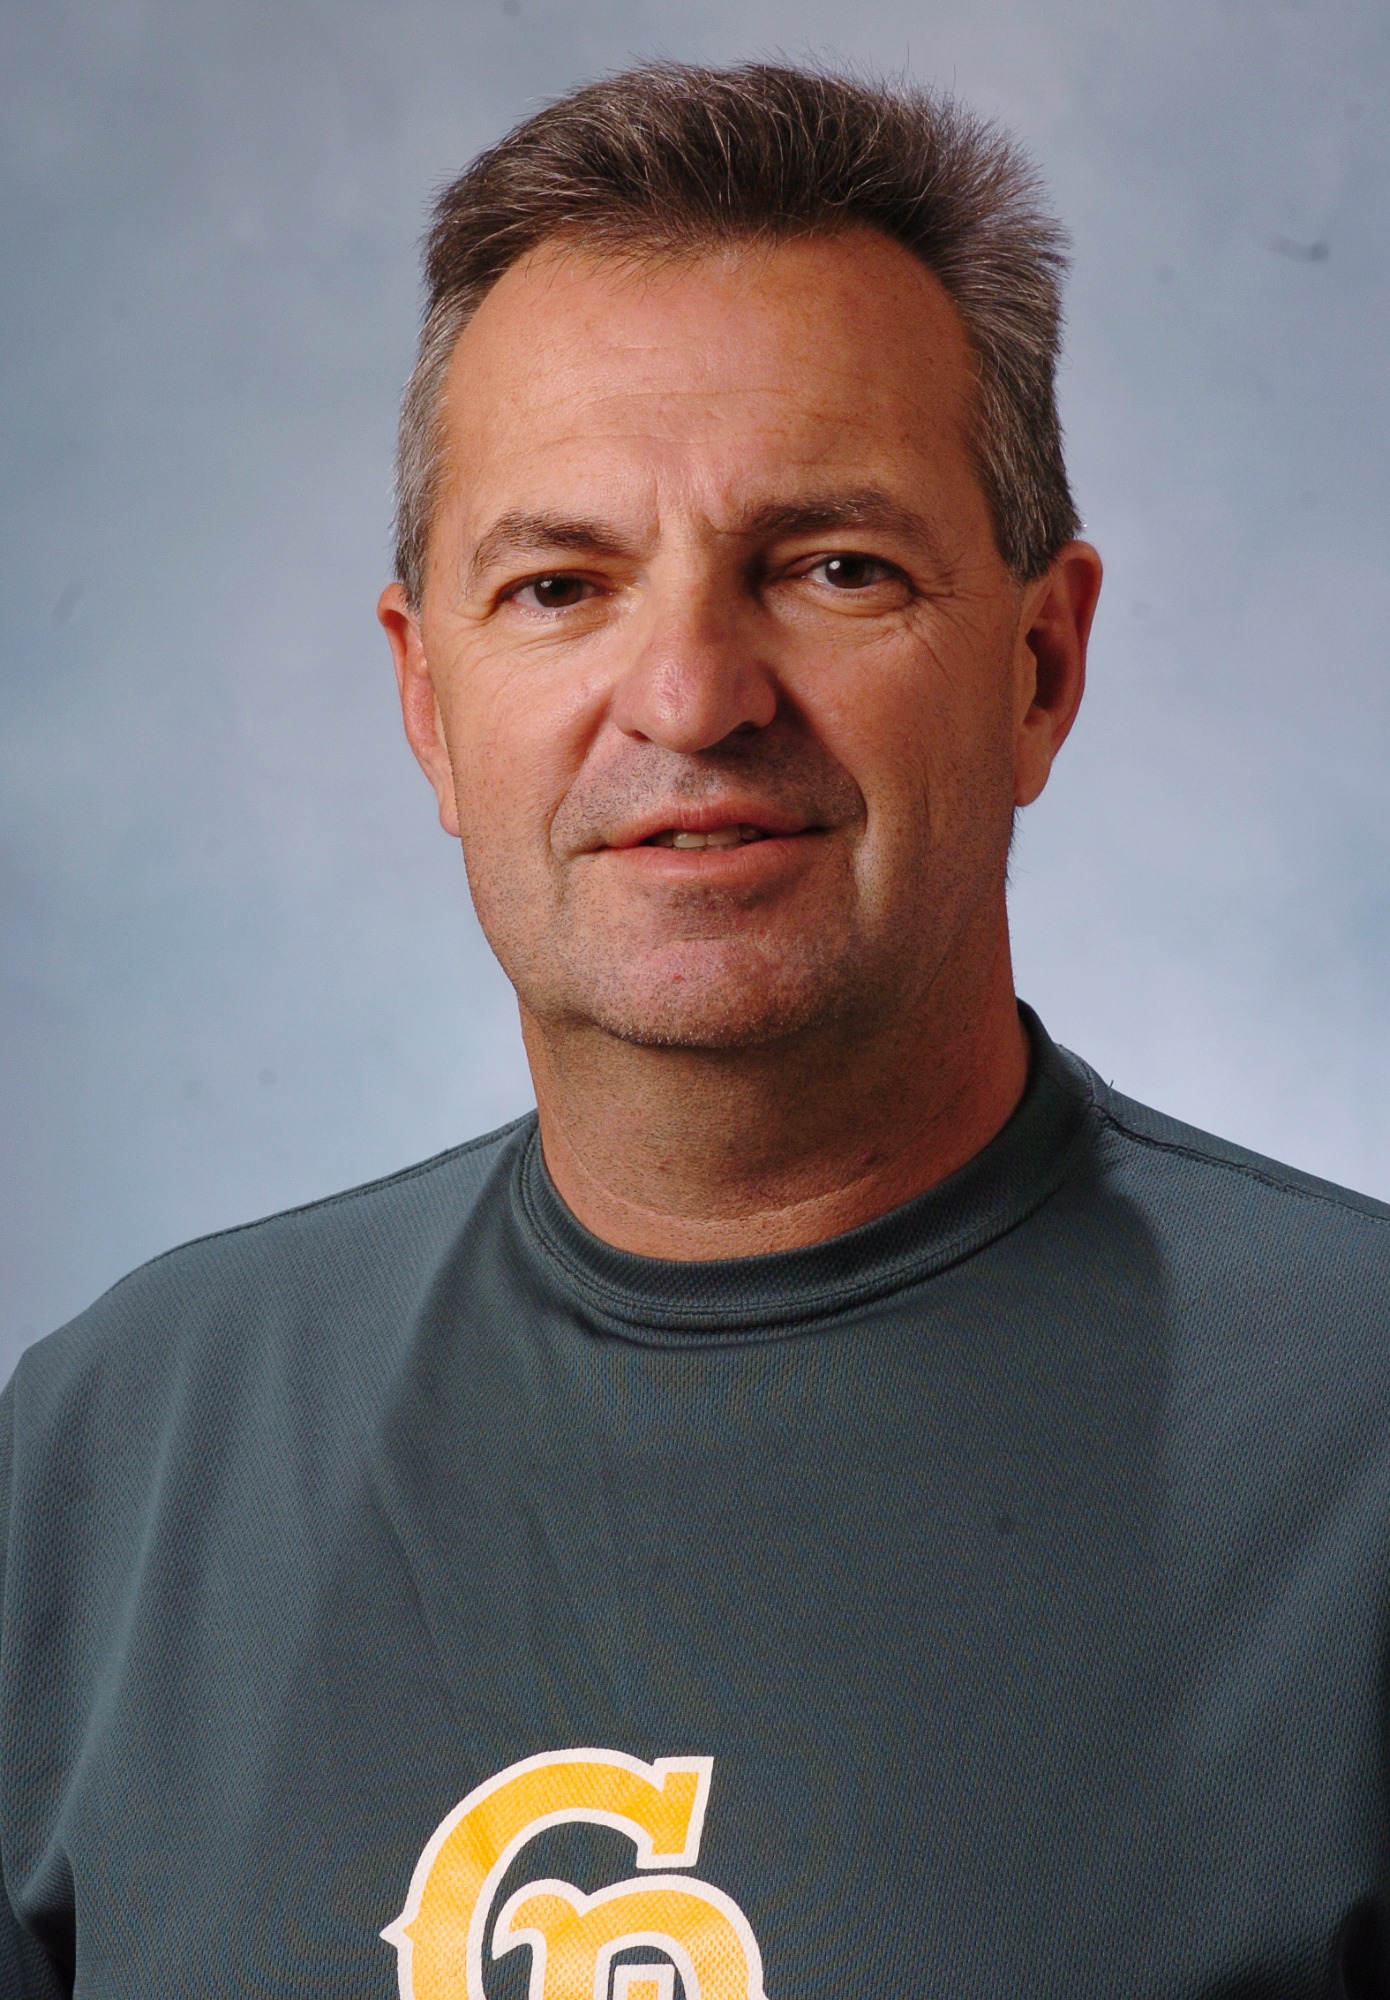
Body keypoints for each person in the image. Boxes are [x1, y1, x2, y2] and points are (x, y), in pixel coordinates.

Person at [2, 59, 1388, 2000]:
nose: (687, 691)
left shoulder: (1353, 1459)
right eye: (559, 584)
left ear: (1038, 666)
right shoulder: (113, 1460)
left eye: (830, 567)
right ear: (427, 704)